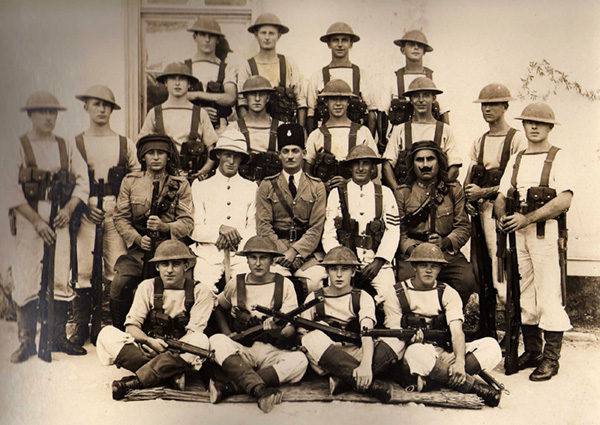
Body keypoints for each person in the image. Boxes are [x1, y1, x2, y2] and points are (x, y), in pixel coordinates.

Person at [495, 103, 573, 381]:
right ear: (524, 125)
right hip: (518, 236)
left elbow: (564, 200)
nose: (534, 127)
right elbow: (503, 195)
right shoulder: (517, 158)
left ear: (550, 127)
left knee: (549, 292)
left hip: (545, 235)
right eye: (529, 122)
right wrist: (503, 215)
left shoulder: (558, 158)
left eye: (540, 123)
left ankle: (552, 359)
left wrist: (527, 219)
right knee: (523, 291)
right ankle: (533, 350)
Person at [9, 92, 89, 363]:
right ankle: (27, 341)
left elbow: (82, 183)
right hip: (29, 220)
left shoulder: (66, 145)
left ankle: (57, 338)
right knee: (27, 276)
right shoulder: (18, 145)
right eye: (43, 112)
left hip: (60, 220)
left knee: (59, 274)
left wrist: (68, 209)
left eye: (53, 112)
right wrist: (35, 221)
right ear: (30, 115)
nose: (49, 117)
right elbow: (8, 189)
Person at [383, 243, 502, 406]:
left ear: (440, 269)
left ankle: (433, 380)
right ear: (414, 267)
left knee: (491, 346)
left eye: (434, 266)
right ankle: (472, 386)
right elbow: (394, 332)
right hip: (414, 351)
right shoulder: (397, 292)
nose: (428, 270)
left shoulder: (448, 292)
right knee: (417, 353)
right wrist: (410, 340)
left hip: (444, 353)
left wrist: (460, 361)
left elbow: (457, 332)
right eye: (423, 265)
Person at [96, 240, 213, 400]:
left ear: (186, 265)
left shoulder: (200, 291)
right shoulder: (148, 286)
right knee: (106, 334)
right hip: (149, 350)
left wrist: (170, 351)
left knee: (200, 341)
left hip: (178, 354)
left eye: (176, 264)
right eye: (164, 264)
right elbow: (131, 327)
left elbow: (194, 333)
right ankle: (169, 376)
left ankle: (139, 380)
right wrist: (149, 342)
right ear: (157, 267)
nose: (169, 270)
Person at [70, 85, 141, 346]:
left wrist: (121, 207)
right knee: (83, 268)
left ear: (112, 109)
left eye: (106, 105)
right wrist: (84, 203)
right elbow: (69, 178)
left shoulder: (125, 144)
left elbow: (136, 178)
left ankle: (115, 327)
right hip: (86, 211)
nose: (101, 109)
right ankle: (81, 327)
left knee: (116, 269)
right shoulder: (75, 143)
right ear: (86, 106)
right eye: (95, 104)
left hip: (116, 213)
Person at [208, 236, 308, 413]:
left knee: (300, 361)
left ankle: (231, 386)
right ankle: (260, 389)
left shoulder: (285, 285)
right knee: (216, 340)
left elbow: (290, 331)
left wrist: (277, 332)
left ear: (272, 260)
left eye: (263, 258)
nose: (258, 263)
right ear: (247, 260)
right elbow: (218, 307)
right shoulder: (236, 283)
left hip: (272, 351)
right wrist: (226, 332)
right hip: (243, 350)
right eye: (253, 257)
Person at [111, 134, 194, 331]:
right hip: (139, 252)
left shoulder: (180, 184)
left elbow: (187, 222)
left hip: (171, 253)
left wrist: (166, 227)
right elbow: (120, 218)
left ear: (168, 157)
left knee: (186, 288)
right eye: (151, 153)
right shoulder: (130, 182)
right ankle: (121, 333)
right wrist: (137, 240)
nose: (156, 157)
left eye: (161, 153)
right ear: (143, 157)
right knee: (118, 285)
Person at [300, 246, 397, 403]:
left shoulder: (362, 297)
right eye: (333, 269)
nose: (339, 275)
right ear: (327, 271)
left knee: (397, 337)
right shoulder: (314, 297)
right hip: (327, 359)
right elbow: (302, 333)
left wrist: (365, 364)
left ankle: (344, 381)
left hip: (357, 353)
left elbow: (367, 333)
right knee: (311, 338)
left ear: (353, 272)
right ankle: (369, 384)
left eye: (344, 269)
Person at [464, 84, 527, 305]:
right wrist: (468, 197)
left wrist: (483, 192)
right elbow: (470, 175)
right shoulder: (479, 141)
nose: (487, 109)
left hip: (503, 211)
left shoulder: (517, 139)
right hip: (481, 212)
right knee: (484, 265)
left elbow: (516, 181)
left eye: (493, 104)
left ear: (505, 106)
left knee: (503, 264)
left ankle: (512, 318)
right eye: (484, 105)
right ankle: (489, 325)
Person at [394, 141, 476, 306]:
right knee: (405, 280)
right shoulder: (403, 193)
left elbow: (463, 226)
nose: (425, 165)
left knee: (466, 279)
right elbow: (399, 232)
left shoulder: (453, 190)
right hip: (414, 254)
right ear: (412, 164)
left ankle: (450, 316)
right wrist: (413, 249)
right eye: (419, 160)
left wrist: (445, 242)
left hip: (445, 253)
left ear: (439, 162)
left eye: (430, 159)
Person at [256, 123, 327, 298]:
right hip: (276, 252)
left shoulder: (317, 186)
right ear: (279, 155)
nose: (290, 156)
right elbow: (263, 225)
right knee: (276, 285)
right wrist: (282, 252)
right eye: (285, 151)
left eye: (295, 151)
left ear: (304, 153)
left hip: (308, 254)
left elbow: (316, 227)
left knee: (315, 281)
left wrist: (294, 252)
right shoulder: (266, 185)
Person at [322, 145, 399, 308]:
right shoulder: (337, 193)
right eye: (356, 163)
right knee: (337, 297)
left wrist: (378, 261)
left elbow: (393, 232)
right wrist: (343, 261)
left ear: (373, 168)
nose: (361, 168)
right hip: (343, 263)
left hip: (377, 262)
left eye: (366, 163)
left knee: (389, 296)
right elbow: (329, 233)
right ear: (350, 167)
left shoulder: (385, 193)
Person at [190, 129, 256, 294]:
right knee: (203, 290)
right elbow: (194, 229)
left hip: (240, 254)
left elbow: (253, 229)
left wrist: (233, 239)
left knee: (245, 290)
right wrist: (218, 231)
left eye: (237, 156)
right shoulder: (201, 186)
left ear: (242, 159)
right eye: (227, 154)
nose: (231, 161)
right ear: (218, 154)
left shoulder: (251, 187)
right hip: (208, 254)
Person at [138, 62, 218, 180]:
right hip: (162, 179)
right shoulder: (155, 113)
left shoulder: (200, 113)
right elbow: (141, 145)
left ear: (189, 83)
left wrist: (203, 171)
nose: (177, 83)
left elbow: (212, 150)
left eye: (182, 79)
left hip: (193, 178)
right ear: (165, 82)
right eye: (172, 79)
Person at [382, 77, 461, 188]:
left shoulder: (445, 130)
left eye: (426, 95)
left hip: (437, 196)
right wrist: (398, 191)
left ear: (434, 98)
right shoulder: (400, 129)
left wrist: (439, 190)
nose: (420, 100)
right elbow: (387, 165)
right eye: (415, 96)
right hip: (407, 195)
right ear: (410, 99)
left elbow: (454, 166)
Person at [305, 79, 379, 192]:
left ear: (349, 102)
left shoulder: (363, 132)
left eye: (342, 99)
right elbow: (307, 171)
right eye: (333, 99)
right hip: (325, 196)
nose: (338, 103)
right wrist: (322, 186)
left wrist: (349, 182)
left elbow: (374, 170)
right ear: (325, 102)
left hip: (357, 193)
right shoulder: (316, 135)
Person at [378, 29, 449, 144]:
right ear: (402, 50)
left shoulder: (435, 77)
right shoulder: (392, 78)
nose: (416, 48)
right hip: (400, 139)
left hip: (430, 138)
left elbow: (443, 113)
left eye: (420, 46)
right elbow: (383, 114)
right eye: (411, 45)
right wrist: (383, 141)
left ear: (424, 51)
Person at [237, 13, 307, 127]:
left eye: (271, 33)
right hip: (256, 128)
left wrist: (300, 130)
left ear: (279, 35)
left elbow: (301, 101)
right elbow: (241, 102)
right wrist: (248, 128)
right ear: (256, 35)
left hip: (285, 128)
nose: (267, 38)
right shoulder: (247, 66)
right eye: (263, 33)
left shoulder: (289, 63)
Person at [306, 22, 377, 134]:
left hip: (355, 137)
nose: (340, 45)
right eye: (335, 40)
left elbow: (372, 112)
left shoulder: (361, 75)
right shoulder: (318, 76)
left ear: (351, 44)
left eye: (344, 40)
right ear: (329, 44)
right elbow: (311, 112)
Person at [185, 16, 237, 133]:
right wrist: (200, 112)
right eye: (202, 35)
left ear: (217, 39)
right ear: (195, 37)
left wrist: (197, 95)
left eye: (211, 36)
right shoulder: (185, 67)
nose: (207, 40)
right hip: (189, 128)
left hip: (219, 129)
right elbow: (176, 97)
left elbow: (230, 98)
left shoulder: (226, 68)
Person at [227, 76, 283, 182]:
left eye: (261, 94)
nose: (257, 99)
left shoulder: (281, 127)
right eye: (252, 94)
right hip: (242, 185)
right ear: (245, 97)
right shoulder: (234, 128)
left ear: (268, 98)